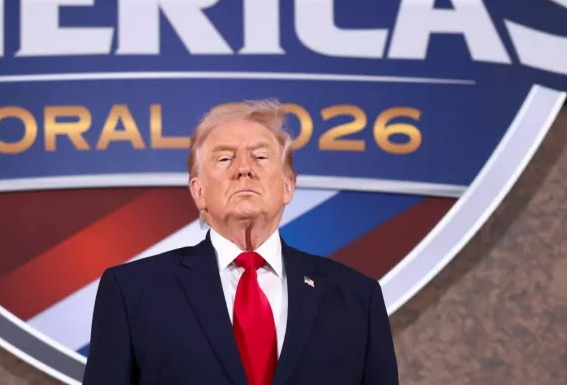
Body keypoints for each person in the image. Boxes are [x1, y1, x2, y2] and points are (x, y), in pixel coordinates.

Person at [82, 99, 399, 385]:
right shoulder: (133, 292)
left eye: (260, 157)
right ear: (199, 191)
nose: (244, 169)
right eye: (224, 159)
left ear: (288, 187)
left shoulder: (357, 298)